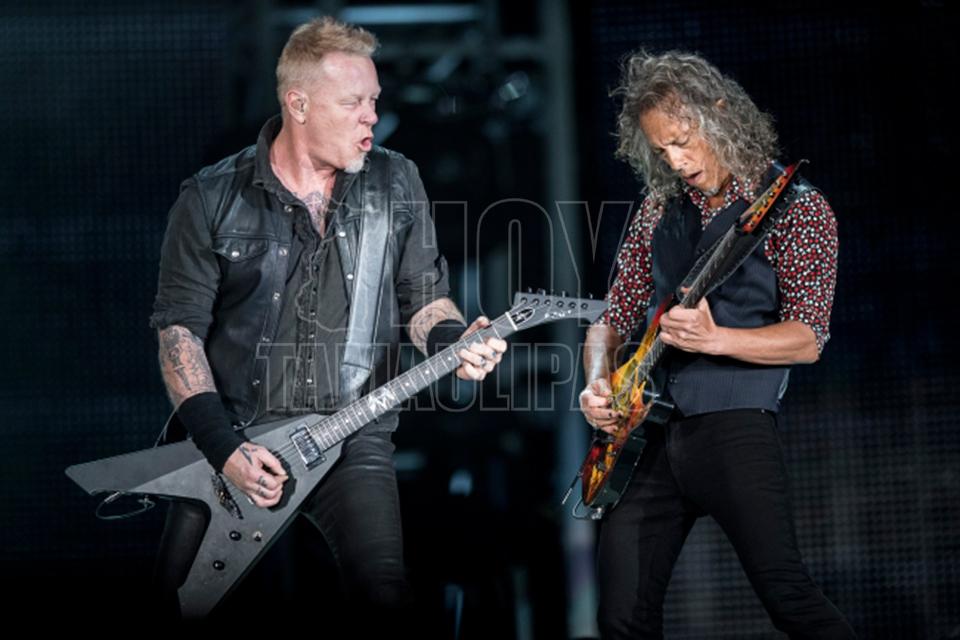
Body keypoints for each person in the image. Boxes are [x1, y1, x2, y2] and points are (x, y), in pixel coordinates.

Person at [148, 16, 506, 624]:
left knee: (385, 597)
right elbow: (178, 332)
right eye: (353, 103)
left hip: (351, 431)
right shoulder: (211, 196)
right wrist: (224, 448)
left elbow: (424, 298)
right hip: (233, 435)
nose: (371, 118)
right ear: (299, 104)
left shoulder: (395, 181)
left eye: (374, 101)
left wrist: (455, 340)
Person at [578, 50, 855, 639]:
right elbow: (612, 318)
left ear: (721, 114)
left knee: (788, 596)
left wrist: (716, 337)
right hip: (647, 437)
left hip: (733, 426)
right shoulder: (659, 208)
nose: (676, 162)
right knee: (620, 616)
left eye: (682, 142)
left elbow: (808, 338)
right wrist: (597, 383)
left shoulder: (799, 208)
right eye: (661, 152)